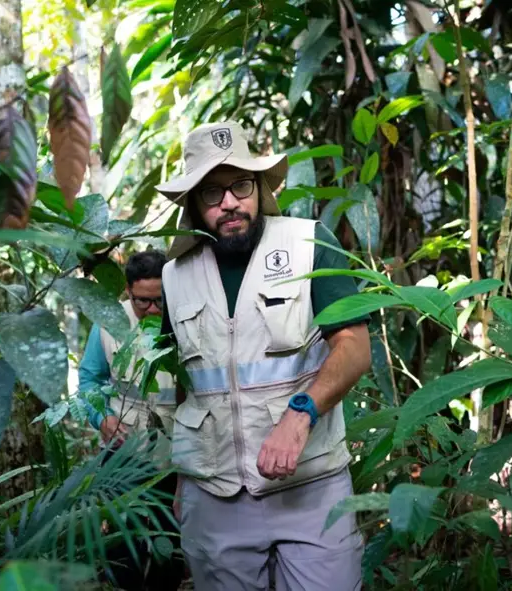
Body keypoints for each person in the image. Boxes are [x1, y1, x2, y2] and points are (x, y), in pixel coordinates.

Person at [157, 121, 373, 590]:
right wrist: (181, 477)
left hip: (310, 488)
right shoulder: (174, 275)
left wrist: (301, 414)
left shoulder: (308, 243)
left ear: (258, 188)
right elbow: (186, 382)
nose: (230, 202)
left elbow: (354, 347)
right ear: (193, 203)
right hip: (214, 497)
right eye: (212, 193)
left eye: (240, 186)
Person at [77, 250, 186, 591]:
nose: (153, 310)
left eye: (160, 301)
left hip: (177, 456)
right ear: (127, 291)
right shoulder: (110, 324)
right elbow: (89, 381)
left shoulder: (186, 321)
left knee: (171, 544)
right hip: (125, 455)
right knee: (123, 548)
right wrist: (102, 418)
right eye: (143, 302)